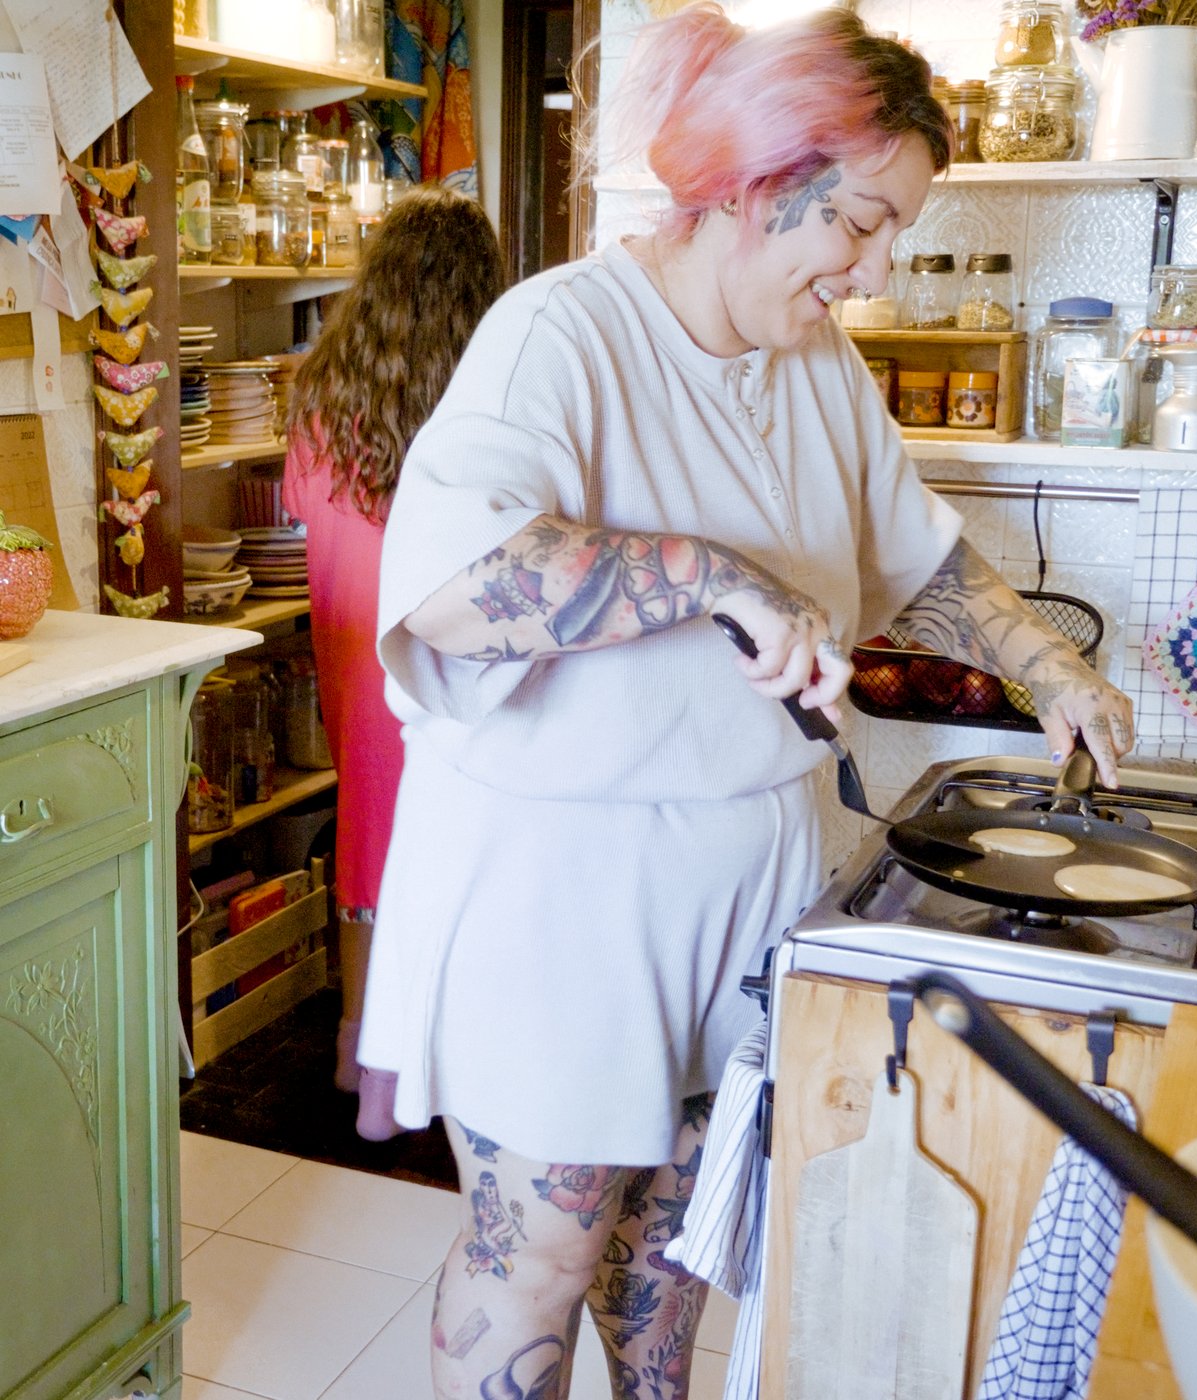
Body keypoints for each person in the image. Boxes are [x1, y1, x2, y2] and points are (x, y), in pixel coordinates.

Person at [361, 6, 1135, 1395]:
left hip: (745, 883)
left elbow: (917, 554)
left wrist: (1045, 661)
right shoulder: (563, 336)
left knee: (669, 1249)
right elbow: (455, 586)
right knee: (538, 1252)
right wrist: (716, 578)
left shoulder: (817, 364)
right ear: (764, 185)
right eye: (865, 222)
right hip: (563, 889)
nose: (879, 266)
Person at [282, 185, 504, 1141]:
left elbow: (302, 508)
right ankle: (449, 1055)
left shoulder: (322, 394)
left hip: (349, 649)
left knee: (368, 848)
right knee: (463, 847)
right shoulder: (486, 397)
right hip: (444, 651)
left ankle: (361, 1052)